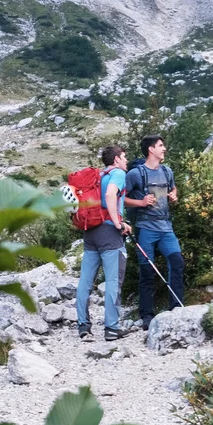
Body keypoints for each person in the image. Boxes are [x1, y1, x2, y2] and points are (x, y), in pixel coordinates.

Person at [125, 134, 184, 330]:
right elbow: (119, 198)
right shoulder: (136, 174)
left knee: (177, 262)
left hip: (166, 227)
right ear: (151, 149)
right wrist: (140, 202)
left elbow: (173, 189)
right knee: (147, 272)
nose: (164, 149)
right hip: (145, 228)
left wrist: (174, 195)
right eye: (160, 146)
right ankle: (147, 316)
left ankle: (177, 308)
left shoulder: (167, 171)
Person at [75, 145, 131, 342]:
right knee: (113, 281)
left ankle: (83, 326)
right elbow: (110, 196)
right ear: (116, 159)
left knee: (85, 281)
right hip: (108, 232)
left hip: (90, 231)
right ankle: (112, 328)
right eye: (124, 157)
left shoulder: (98, 176)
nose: (126, 161)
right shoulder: (117, 174)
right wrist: (118, 223)